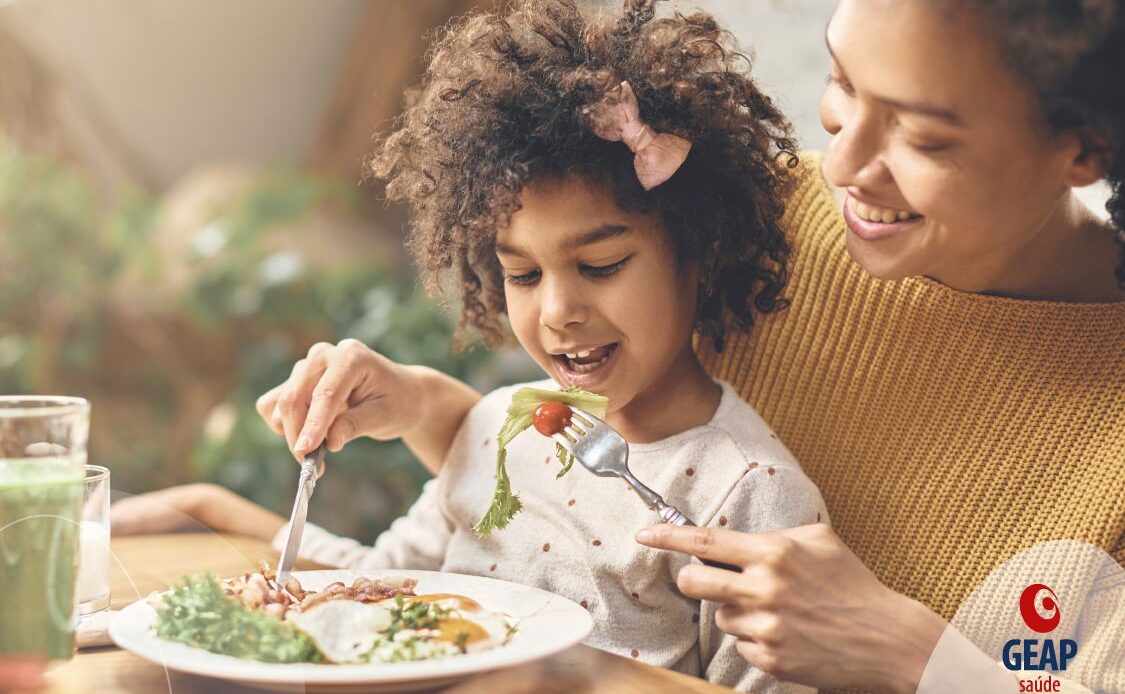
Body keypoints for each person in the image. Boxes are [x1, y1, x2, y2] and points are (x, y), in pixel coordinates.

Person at [114, 0, 1125, 690]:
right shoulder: (755, 221)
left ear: (1083, 145)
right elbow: (584, 504)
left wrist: (915, 652)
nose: (846, 164)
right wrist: (437, 410)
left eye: (924, 136)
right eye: (842, 85)